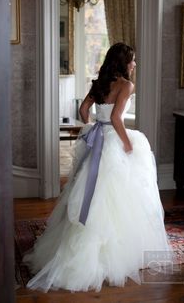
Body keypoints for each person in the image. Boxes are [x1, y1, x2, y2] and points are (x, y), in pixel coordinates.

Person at [23, 43, 172, 292]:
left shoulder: (100, 83)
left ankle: (74, 247)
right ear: (124, 62)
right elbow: (116, 119)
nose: (135, 64)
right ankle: (115, 253)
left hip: (98, 138)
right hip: (113, 140)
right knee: (119, 196)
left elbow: (83, 110)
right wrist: (127, 144)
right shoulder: (126, 85)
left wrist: (92, 126)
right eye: (133, 60)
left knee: (87, 194)